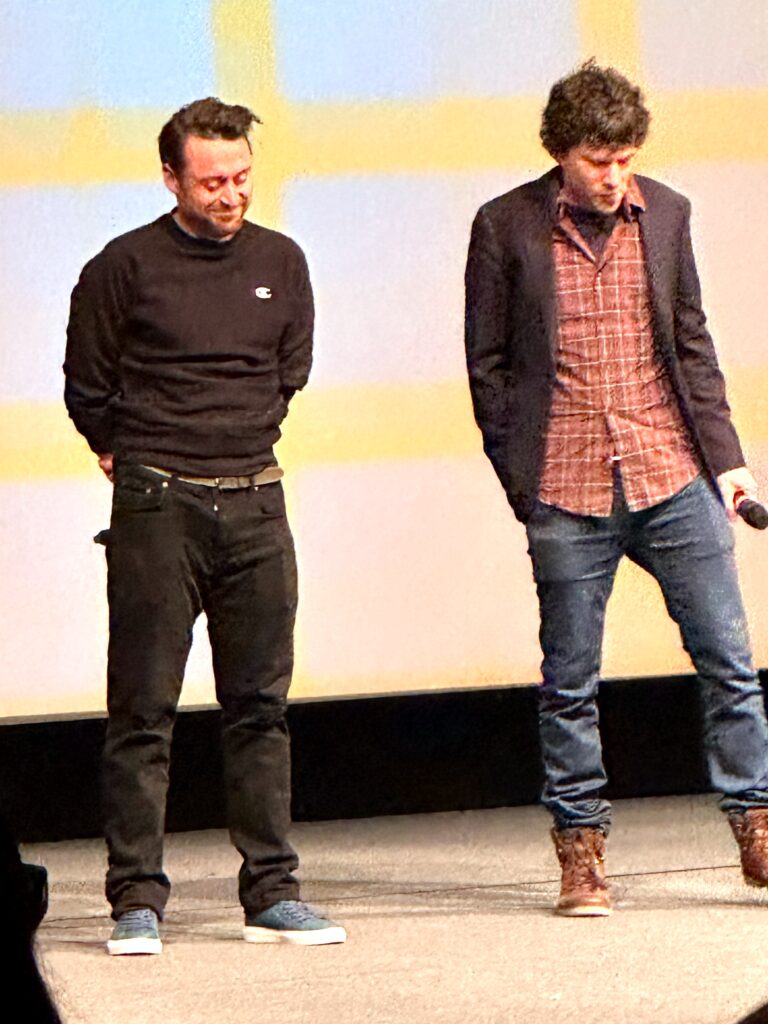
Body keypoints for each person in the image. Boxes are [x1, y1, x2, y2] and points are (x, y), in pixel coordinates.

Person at [464, 61, 768, 917]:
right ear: (562, 152)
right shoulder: (506, 226)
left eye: (626, 157)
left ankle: (758, 827)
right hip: (565, 482)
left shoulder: (666, 214)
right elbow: (487, 363)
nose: (615, 175)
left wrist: (727, 458)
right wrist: (517, 475)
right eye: (600, 158)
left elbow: (691, 341)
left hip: (670, 467)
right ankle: (582, 853)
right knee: (571, 680)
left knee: (729, 663)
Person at [64, 97, 345, 953]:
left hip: (257, 501)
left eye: (242, 178)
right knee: (143, 709)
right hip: (160, 505)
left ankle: (271, 891)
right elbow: (87, 383)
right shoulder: (125, 266)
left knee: (259, 706)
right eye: (213, 181)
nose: (231, 195)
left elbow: (287, 370)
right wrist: (131, 449)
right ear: (171, 179)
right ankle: (136, 901)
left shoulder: (281, 261)